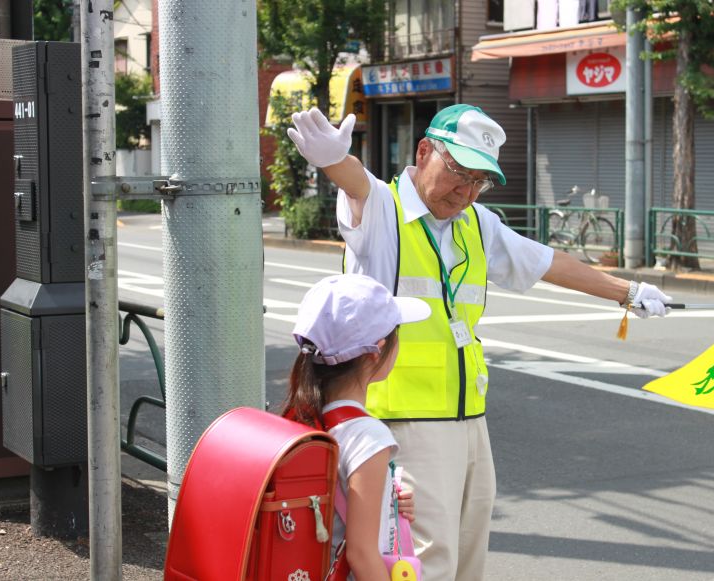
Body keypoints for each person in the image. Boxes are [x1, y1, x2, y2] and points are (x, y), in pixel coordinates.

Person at [288, 104, 672, 580]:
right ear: (424, 151)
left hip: (470, 418)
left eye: (479, 181)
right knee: (422, 561)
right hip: (404, 421)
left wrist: (628, 292)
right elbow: (355, 181)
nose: (466, 191)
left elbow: (546, 261)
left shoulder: (477, 223)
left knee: (469, 554)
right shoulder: (385, 209)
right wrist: (331, 161)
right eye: (458, 173)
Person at [282, 273, 429, 580]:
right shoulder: (368, 436)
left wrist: (387, 500)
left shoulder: (304, 414)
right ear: (377, 350)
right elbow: (361, 555)